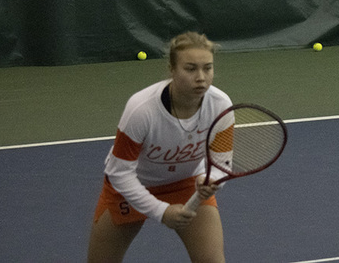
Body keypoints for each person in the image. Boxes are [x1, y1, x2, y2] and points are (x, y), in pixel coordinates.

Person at [87, 32, 231, 263]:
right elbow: (119, 172)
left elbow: (222, 163)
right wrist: (161, 211)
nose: (201, 78)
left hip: (187, 184)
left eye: (208, 68)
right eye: (191, 69)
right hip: (131, 186)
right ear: (172, 70)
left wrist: (211, 178)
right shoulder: (142, 109)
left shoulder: (221, 105)